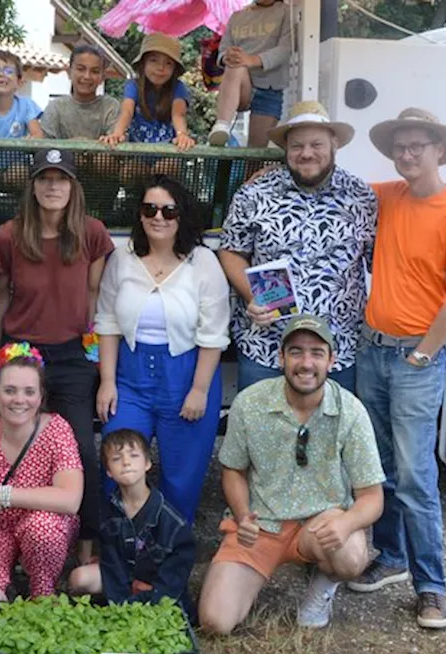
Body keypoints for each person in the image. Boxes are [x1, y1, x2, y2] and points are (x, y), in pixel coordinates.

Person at [349, 108, 446, 631]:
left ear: (439, 151)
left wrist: (423, 355)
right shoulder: (386, 196)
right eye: (400, 147)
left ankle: (432, 587)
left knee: (416, 476)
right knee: (378, 466)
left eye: (417, 147)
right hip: (371, 349)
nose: (406, 155)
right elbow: (332, 185)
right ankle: (391, 556)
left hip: (415, 357)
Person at [198, 315, 385, 635]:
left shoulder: (350, 411)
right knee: (215, 622)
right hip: (262, 525)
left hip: (319, 523)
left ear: (332, 360)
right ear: (281, 357)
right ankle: (253, 572)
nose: (306, 362)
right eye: (296, 351)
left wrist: (347, 523)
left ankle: (322, 587)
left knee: (352, 556)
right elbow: (233, 470)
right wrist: (243, 516)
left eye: (316, 353)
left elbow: (372, 496)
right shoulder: (249, 403)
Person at [0, 148, 114, 562]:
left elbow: (94, 294)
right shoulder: (11, 234)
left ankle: (86, 547)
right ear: (34, 185)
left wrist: (95, 357)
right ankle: (9, 540)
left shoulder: (92, 233)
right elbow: (1, 297)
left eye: (61, 179)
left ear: (73, 186)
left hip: (74, 354)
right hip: (23, 351)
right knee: (14, 444)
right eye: (44, 178)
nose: (52, 186)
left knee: (79, 446)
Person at [94, 176, 229, 522]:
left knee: (182, 475)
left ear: (182, 215)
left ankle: (169, 554)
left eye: (169, 210)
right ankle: (117, 546)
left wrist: (199, 390)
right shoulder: (123, 258)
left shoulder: (203, 262)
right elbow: (107, 321)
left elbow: (213, 333)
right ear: (139, 214)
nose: (159, 217)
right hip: (131, 376)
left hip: (186, 375)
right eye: (149, 209)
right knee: (119, 461)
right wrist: (107, 381)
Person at [217, 100, 376, 394]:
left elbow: (380, 262)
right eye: (297, 146)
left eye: (316, 144)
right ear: (286, 149)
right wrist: (254, 296)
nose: (306, 153)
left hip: (337, 350)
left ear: (334, 144)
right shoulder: (255, 192)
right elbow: (231, 250)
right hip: (266, 345)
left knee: (331, 437)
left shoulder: (362, 197)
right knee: (261, 434)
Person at [0, 346, 84, 609]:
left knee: (42, 530)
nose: (19, 400)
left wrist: (5, 496)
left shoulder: (57, 429)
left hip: (41, 523)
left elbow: (71, 500)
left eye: (29, 392)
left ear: (40, 396)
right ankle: (6, 587)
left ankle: (43, 590)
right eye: (10, 390)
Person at [68, 429, 195, 618]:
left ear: (147, 463)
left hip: (158, 590)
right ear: (109, 472)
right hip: (124, 581)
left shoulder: (175, 524)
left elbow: (172, 581)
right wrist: (123, 605)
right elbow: (111, 563)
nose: (126, 462)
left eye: (134, 456)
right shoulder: (107, 511)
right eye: (117, 458)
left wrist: (144, 603)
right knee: (79, 578)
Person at [207, 0, 291, 148]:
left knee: (256, 151)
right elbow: (223, 49)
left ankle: (251, 170)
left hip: (269, 87)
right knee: (236, 66)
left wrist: (252, 60)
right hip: (239, 86)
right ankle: (222, 124)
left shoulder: (286, 12)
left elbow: (285, 49)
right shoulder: (237, 16)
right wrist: (228, 56)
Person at [101, 33, 195, 150]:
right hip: (137, 150)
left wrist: (182, 135)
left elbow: (178, 115)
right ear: (143, 63)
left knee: (167, 166)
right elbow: (127, 112)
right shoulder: (133, 85)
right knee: (130, 167)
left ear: (174, 69)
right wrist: (117, 133)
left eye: (168, 63)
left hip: (168, 150)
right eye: (154, 60)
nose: (160, 68)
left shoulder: (178, 87)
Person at [40, 45, 122, 141]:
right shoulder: (55, 107)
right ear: (69, 72)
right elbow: (45, 148)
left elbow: (114, 146)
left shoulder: (110, 107)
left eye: (94, 71)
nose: (87, 76)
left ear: (102, 77)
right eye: (80, 69)